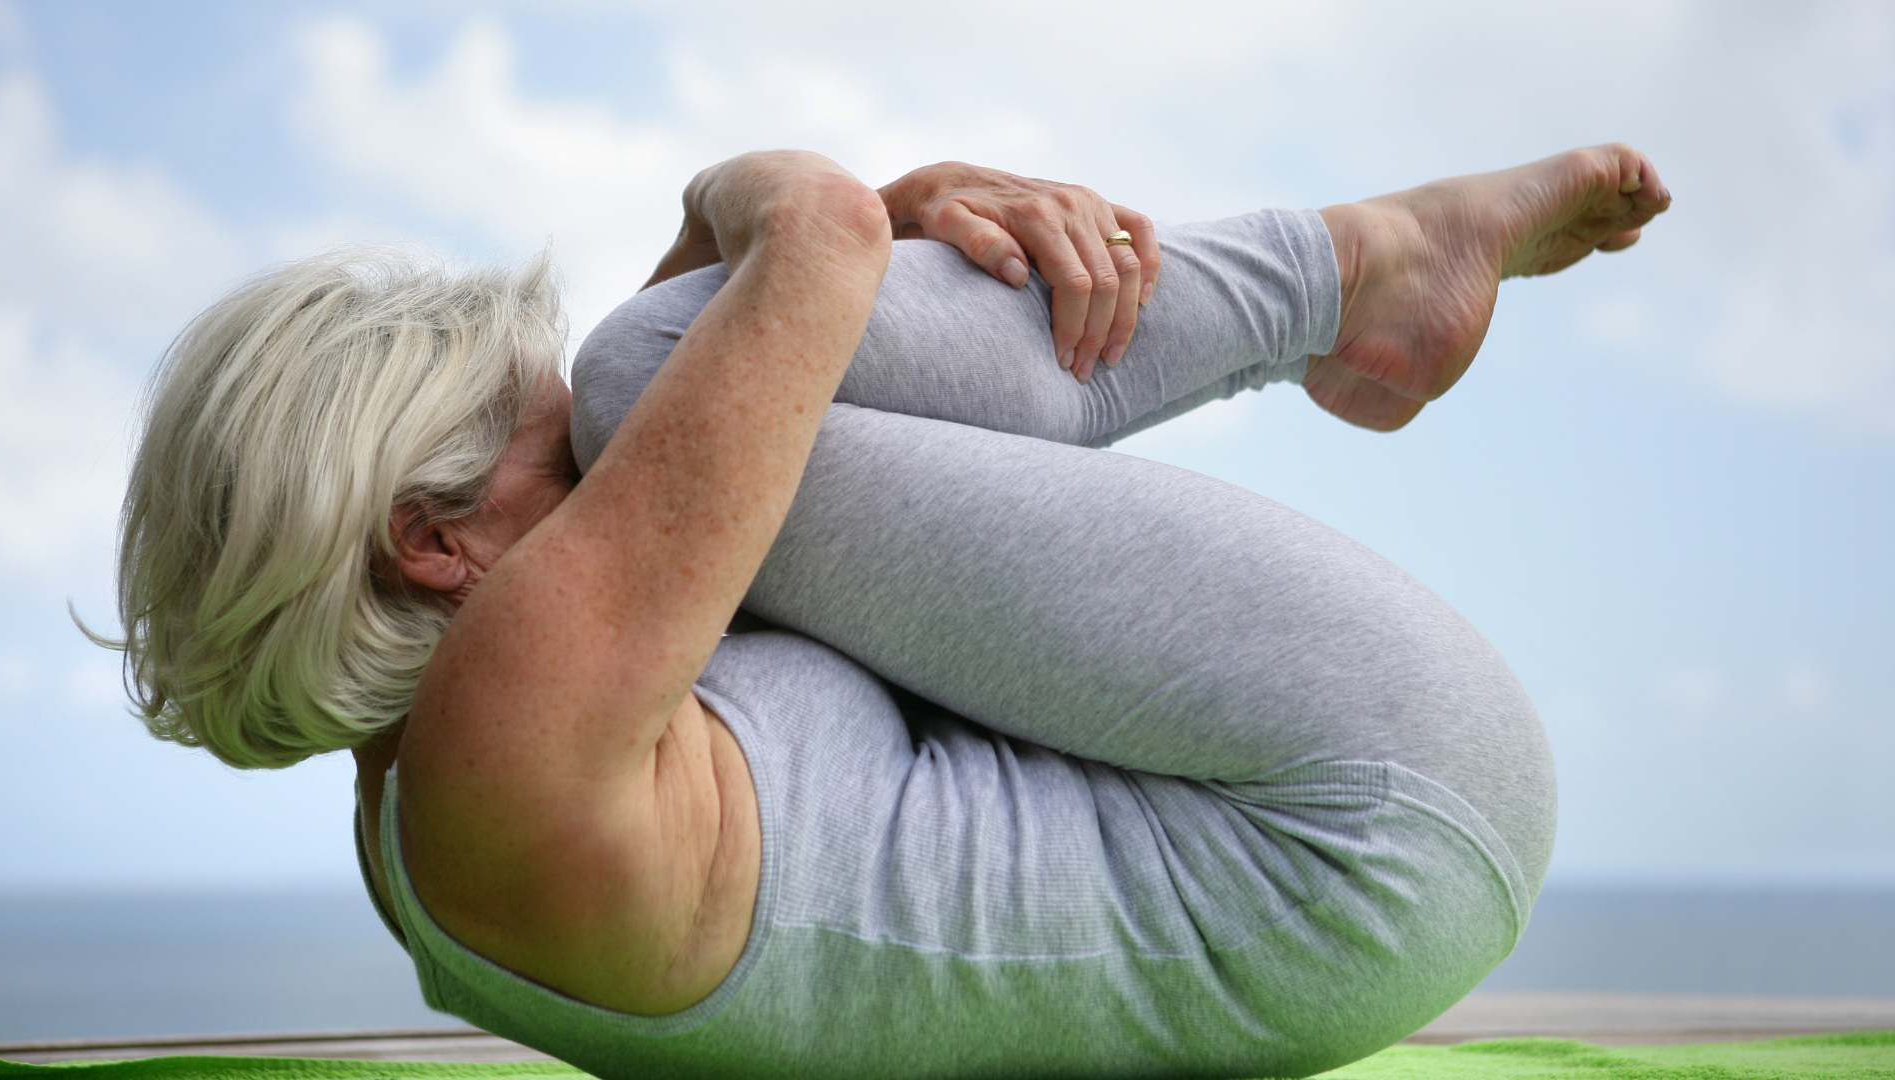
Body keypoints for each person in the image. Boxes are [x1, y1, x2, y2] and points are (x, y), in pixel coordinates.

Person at [103, 146, 1670, 1079]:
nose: (604, 471)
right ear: (436, 545)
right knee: (654, 364)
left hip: (1359, 886)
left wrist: (896, 224)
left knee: (689, 362)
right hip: (1371, 808)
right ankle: (1348, 275)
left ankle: (1357, 284)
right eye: (554, 454)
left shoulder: (439, 807)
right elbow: (815, 245)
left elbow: (758, 378)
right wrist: (759, 190)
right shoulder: (507, 739)